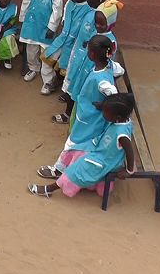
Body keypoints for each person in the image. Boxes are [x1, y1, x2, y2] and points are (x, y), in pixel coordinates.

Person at [37, 35, 122, 180]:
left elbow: (114, 96)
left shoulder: (101, 80)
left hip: (89, 118)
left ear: (92, 55)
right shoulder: (109, 66)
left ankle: (58, 169)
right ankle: (80, 168)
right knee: (87, 144)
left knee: (73, 141)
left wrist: (102, 105)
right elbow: (120, 71)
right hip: (91, 117)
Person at [29, 93, 136, 198]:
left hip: (106, 160)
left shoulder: (122, 135)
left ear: (117, 116)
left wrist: (129, 171)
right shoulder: (123, 120)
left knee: (77, 169)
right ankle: (66, 174)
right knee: (75, 149)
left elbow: (130, 152)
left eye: (105, 112)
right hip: (100, 148)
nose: (103, 113)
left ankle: (49, 189)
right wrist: (102, 106)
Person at [51, 0, 114, 124]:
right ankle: (68, 113)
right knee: (74, 84)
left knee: (81, 89)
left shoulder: (100, 16)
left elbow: (99, 39)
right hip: (78, 56)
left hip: (88, 61)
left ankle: (73, 116)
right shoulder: (89, 10)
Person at [18, 0, 64, 92]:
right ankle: (33, 68)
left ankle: (48, 80)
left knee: (46, 55)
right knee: (31, 51)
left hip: (45, 29)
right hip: (31, 26)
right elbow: (26, 2)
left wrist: (52, 28)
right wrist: (22, 19)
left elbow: (57, 11)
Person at [40, 0, 89, 96]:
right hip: (62, 38)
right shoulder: (69, 3)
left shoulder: (89, 9)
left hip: (75, 43)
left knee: (68, 66)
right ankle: (48, 81)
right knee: (48, 57)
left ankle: (65, 88)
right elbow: (64, 20)